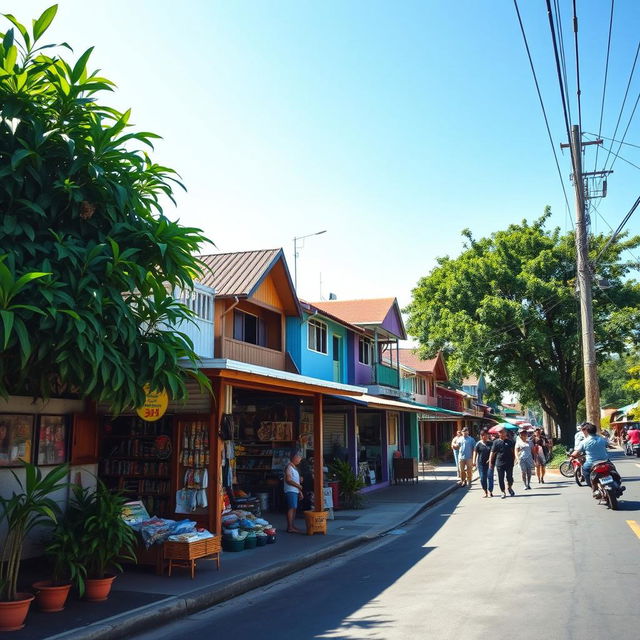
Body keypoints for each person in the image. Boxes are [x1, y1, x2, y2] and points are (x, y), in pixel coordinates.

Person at [571, 423, 609, 488]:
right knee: (612, 468)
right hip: (605, 460)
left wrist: (572, 456)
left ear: (587, 431)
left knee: (584, 470)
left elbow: (576, 452)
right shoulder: (601, 439)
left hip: (591, 462)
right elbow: (607, 444)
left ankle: (593, 486)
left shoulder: (584, 442)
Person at [488, 425, 515, 499]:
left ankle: (509, 487)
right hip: (499, 463)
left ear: (505, 433)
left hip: (509, 463)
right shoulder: (496, 442)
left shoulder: (510, 441)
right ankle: (503, 491)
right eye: (499, 432)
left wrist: (515, 460)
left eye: (501, 432)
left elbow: (513, 452)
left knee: (510, 478)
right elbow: (492, 453)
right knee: (501, 478)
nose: (500, 433)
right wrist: (490, 462)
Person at [284, 450, 304, 533]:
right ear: (294, 457)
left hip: (295, 490)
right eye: (299, 457)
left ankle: (292, 526)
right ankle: (290, 527)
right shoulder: (289, 467)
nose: (300, 459)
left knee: (294, 508)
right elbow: (288, 480)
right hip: (290, 490)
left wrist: (300, 491)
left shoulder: (294, 468)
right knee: (292, 508)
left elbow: (296, 480)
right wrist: (298, 486)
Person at [473, 429, 494, 497]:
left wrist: (491, 459)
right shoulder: (478, 444)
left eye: (484, 435)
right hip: (481, 463)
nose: (483, 437)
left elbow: (494, 452)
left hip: (490, 463)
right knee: (482, 478)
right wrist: (474, 461)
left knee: (490, 477)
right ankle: (485, 491)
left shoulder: (491, 443)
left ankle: (490, 491)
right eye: (482, 435)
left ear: (487, 435)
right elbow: (475, 452)